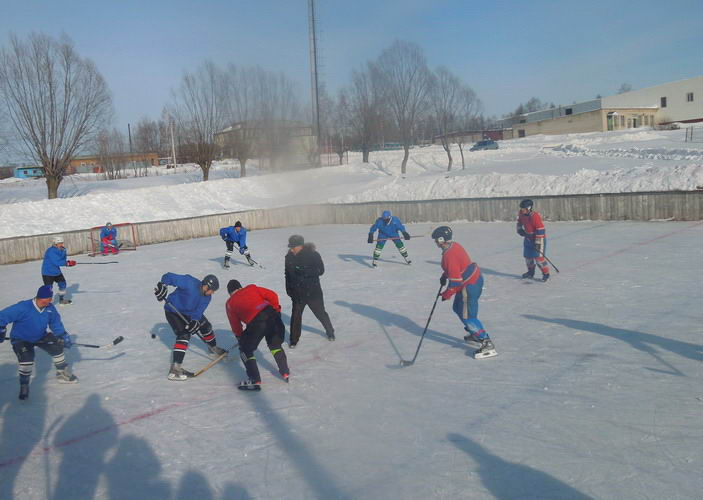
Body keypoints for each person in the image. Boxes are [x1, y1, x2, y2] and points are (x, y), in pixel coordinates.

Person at [0, 285, 77, 400]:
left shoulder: (50, 308)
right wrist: (1, 329)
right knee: (27, 358)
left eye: (50, 299)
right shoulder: (23, 307)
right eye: (46, 300)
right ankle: (24, 385)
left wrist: (62, 335)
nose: (49, 302)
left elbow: (55, 323)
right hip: (21, 338)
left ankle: (62, 374)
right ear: (39, 298)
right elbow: (2, 316)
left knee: (57, 348)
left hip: (40, 335)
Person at [432, 226, 497, 359]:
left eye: (435, 240)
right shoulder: (453, 245)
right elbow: (457, 266)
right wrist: (445, 275)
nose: (435, 242)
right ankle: (475, 333)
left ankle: (486, 342)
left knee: (468, 316)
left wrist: (447, 294)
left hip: (469, 285)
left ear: (441, 239)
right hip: (470, 280)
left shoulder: (449, 254)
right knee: (457, 308)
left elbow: (455, 281)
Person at [154, 272, 226, 380]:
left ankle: (213, 348)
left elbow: (198, 312)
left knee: (206, 326)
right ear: (206, 286)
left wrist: (195, 321)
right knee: (184, 335)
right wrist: (163, 285)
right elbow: (168, 276)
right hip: (173, 311)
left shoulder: (207, 297)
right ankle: (175, 368)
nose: (213, 293)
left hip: (189, 313)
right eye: (212, 290)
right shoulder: (189, 282)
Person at [225, 279, 290, 390]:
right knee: (275, 345)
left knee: (245, 350)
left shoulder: (230, 303)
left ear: (230, 293)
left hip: (257, 323)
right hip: (273, 317)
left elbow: (235, 324)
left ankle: (254, 380)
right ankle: (285, 372)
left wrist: (240, 337)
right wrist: (277, 310)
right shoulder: (252, 288)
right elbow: (273, 295)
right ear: (240, 287)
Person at [285, 234, 335, 347]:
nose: (291, 249)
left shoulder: (313, 255)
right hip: (297, 293)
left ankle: (330, 331)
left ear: (300, 246)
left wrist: (305, 271)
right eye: (290, 247)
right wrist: (288, 289)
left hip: (313, 292)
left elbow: (320, 270)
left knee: (320, 313)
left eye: (293, 247)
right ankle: (293, 340)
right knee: (296, 317)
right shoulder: (289, 257)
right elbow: (287, 274)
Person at [516, 199, 550, 282]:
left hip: (539, 238)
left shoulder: (535, 216)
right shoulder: (521, 213)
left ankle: (546, 273)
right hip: (528, 238)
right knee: (528, 257)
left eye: (523, 208)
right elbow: (519, 222)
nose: (522, 210)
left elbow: (541, 229)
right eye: (521, 208)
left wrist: (537, 242)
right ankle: (531, 272)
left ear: (529, 208)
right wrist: (519, 229)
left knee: (538, 258)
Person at [42, 236, 76, 305]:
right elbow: (56, 262)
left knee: (63, 284)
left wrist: (68, 262)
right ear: (55, 244)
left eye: (62, 243)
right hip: (47, 272)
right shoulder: (51, 251)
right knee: (48, 289)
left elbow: (62, 260)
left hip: (56, 271)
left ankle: (61, 300)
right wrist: (67, 263)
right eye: (59, 243)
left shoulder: (62, 250)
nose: (61, 244)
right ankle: (47, 304)